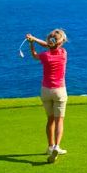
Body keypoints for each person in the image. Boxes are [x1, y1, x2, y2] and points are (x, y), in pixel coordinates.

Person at [26, 29, 68, 163]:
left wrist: (31, 42)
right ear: (61, 42)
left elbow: (34, 55)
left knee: (50, 119)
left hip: (45, 91)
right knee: (59, 120)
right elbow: (50, 45)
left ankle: (50, 147)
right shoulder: (63, 53)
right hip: (59, 91)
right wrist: (35, 39)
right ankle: (57, 146)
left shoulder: (45, 56)